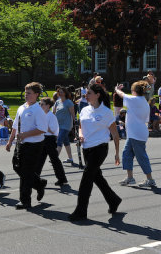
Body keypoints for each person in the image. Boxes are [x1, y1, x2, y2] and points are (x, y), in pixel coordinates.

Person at [69, 84, 121, 221]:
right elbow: (81, 126)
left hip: (100, 149)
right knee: (97, 178)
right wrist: (80, 135)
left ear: (98, 95)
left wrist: (117, 153)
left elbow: (115, 135)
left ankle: (81, 211)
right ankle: (114, 200)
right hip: (86, 148)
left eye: (89, 93)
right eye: (86, 93)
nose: (86, 95)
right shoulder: (85, 110)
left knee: (86, 179)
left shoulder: (106, 112)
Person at [5, 82, 47, 209]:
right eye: (25, 92)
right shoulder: (21, 107)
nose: (26, 95)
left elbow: (42, 129)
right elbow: (15, 127)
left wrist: (26, 135)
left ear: (36, 94)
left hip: (34, 145)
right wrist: (10, 141)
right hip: (21, 143)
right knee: (17, 167)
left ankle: (25, 201)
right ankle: (39, 184)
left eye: (29, 93)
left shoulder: (37, 110)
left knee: (27, 172)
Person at [115, 81, 156, 187]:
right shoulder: (143, 101)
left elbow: (121, 95)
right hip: (135, 133)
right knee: (126, 154)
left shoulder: (134, 99)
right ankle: (130, 178)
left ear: (134, 91)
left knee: (141, 157)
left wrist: (116, 89)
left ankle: (150, 179)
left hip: (136, 134)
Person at [38, 97, 68, 186]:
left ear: (48, 105)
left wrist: (43, 127)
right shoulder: (41, 115)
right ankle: (35, 178)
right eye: (40, 104)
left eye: (42, 104)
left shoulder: (52, 116)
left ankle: (62, 179)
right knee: (39, 159)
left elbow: (54, 131)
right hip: (42, 139)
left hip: (49, 139)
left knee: (54, 160)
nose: (40, 106)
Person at [53, 86, 75, 164]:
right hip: (58, 125)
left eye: (62, 92)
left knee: (59, 140)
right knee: (66, 142)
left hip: (66, 125)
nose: (60, 93)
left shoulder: (69, 102)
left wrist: (73, 124)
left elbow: (73, 114)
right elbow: (54, 113)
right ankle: (70, 158)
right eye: (59, 92)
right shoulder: (57, 102)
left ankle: (54, 158)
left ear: (65, 93)